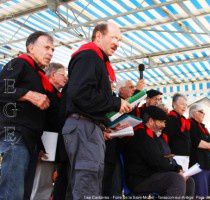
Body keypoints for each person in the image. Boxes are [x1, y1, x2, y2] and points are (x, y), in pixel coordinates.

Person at [61, 21, 131, 199]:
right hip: (84, 127)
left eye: (119, 40)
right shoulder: (89, 56)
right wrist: (116, 103)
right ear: (98, 36)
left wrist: (107, 124)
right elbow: (81, 94)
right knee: (87, 183)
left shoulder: (95, 59)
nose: (117, 43)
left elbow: (86, 97)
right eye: (114, 37)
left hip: (90, 127)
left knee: (87, 182)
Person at [0, 31, 54, 199]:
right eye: (46, 47)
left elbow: (33, 115)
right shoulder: (18, 63)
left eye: (53, 49)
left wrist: (39, 145)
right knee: (12, 192)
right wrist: (30, 95)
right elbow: (2, 89)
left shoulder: (38, 75)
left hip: (29, 140)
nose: (51, 53)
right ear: (31, 47)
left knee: (23, 193)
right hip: (15, 135)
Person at [124, 106, 195, 198]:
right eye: (161, 122)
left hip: (153, 175)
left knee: (189, 181)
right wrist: (176, 170)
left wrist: (179, 168)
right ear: (150, 121)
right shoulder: (141, 136)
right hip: (141, 180)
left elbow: (166, 157)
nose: (164, 125)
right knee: (176, 179)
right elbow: (157, 161)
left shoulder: (154, 137)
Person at [30, 63, 68, 200]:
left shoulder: (57, 95)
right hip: (45, 141)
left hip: (53, 143)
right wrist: (39, 145)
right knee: (40, 182)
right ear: (53, 75)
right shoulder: (44, 92)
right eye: (63, 74)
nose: (66, 78)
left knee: (46, 183)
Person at [189, 104, 210, 198]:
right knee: (200, 192)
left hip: (206, 164)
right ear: (193, 113)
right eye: (201, 111)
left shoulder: (202, 126)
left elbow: (208, 143)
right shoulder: (191, 124)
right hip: (197, 165)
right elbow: (196, 142)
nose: (203, 114)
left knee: (208, 193)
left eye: (203, 112)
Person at [163, 93, 190, 171]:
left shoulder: (183, 119)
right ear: (174, 104)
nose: (184, 106)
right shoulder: (170, 118)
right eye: (182, 104)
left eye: (186, 105)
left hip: (185, 156)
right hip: (175, 156)